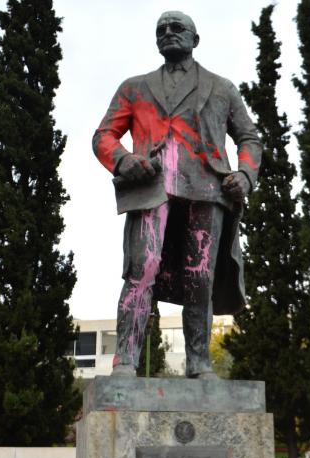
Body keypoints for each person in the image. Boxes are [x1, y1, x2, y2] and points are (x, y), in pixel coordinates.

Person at [92, 11, 261, 379]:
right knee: (142, 269)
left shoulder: (221, 88)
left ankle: (199, 363)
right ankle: (125, 361)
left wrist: (246, 174)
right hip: (151, 188)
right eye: (161, 30)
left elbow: (249, 137)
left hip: (207, 189)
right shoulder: (134, 87)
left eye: (177, 28)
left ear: (195, 40)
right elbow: (103, 136)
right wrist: (124, 160)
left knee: (200, 278)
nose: (168, 33)